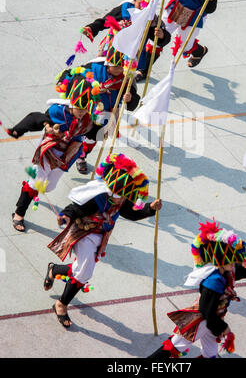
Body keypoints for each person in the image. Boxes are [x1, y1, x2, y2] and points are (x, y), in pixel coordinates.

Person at [44, 152, 162, 328]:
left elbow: (131, 213)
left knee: (80, 269)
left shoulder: (121, 199)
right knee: (85, 272)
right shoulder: (98, 197)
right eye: (119, 195)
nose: (122, 199)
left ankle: (54, 269)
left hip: (100, 237)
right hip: (83, 234)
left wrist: (150, 209)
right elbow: (75, 208)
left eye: (124, 196)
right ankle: (61, 304)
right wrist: (65, 216)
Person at [147, 220, 246, 358]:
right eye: (232, 261)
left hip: (213, 321)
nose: (234, 264)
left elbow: (242, 270)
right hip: (201, 321)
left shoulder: (226, 272)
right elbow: (206, 310)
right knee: (173, 347)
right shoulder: (213, 281)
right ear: (222, 261)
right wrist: (223, 327)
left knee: (210, 354)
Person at [8, 76, 105, 232]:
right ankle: (19, 213)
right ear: (71, 105)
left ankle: (33, 187)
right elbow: (40, 119)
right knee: (35, 183)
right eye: (78, 109)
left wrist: (103, 133)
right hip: (48, 152)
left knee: (48, 188)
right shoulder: (56, 111)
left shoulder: (86, 118)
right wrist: (48, 127)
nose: (81, 113)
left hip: (66, 156)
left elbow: (92, 131)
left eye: (84, 110)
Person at [56, 39, 142, 174]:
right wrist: (63, 81)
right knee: (77, 132)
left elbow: (134, 99)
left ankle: (81, 156)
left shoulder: (126, 78)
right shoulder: (94, 67)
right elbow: (74, 74)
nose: (119, 70)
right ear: (108, 65)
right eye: (116, 66)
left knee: (94, 137)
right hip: (87, 109)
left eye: (121, 67)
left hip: (108, 113)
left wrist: (130, 98)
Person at [80, 0, 171, 82]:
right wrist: (92, 28)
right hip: (113, 45)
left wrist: (161, 35)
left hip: (131, 53)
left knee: (124, 78)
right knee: (106, 68)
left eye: (146, 6)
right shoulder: (125, 9)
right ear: (135, 0)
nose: (141, 9)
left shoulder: (150, 19)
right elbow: (106, 20)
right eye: (140, 4)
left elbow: (163, 39)